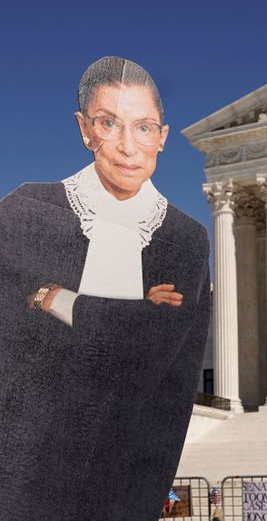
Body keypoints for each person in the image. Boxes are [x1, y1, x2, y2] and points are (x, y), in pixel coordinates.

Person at [0, 56, 211, 519]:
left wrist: (55, 299)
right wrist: (134, 312)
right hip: (25, 469)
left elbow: (155, 347)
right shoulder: (25, 211)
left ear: (163, 137)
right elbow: (16, 346)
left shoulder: (183, 238)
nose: (128, 146)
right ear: (83, 129)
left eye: (143, 127)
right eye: (108, 123)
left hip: (128, 472)